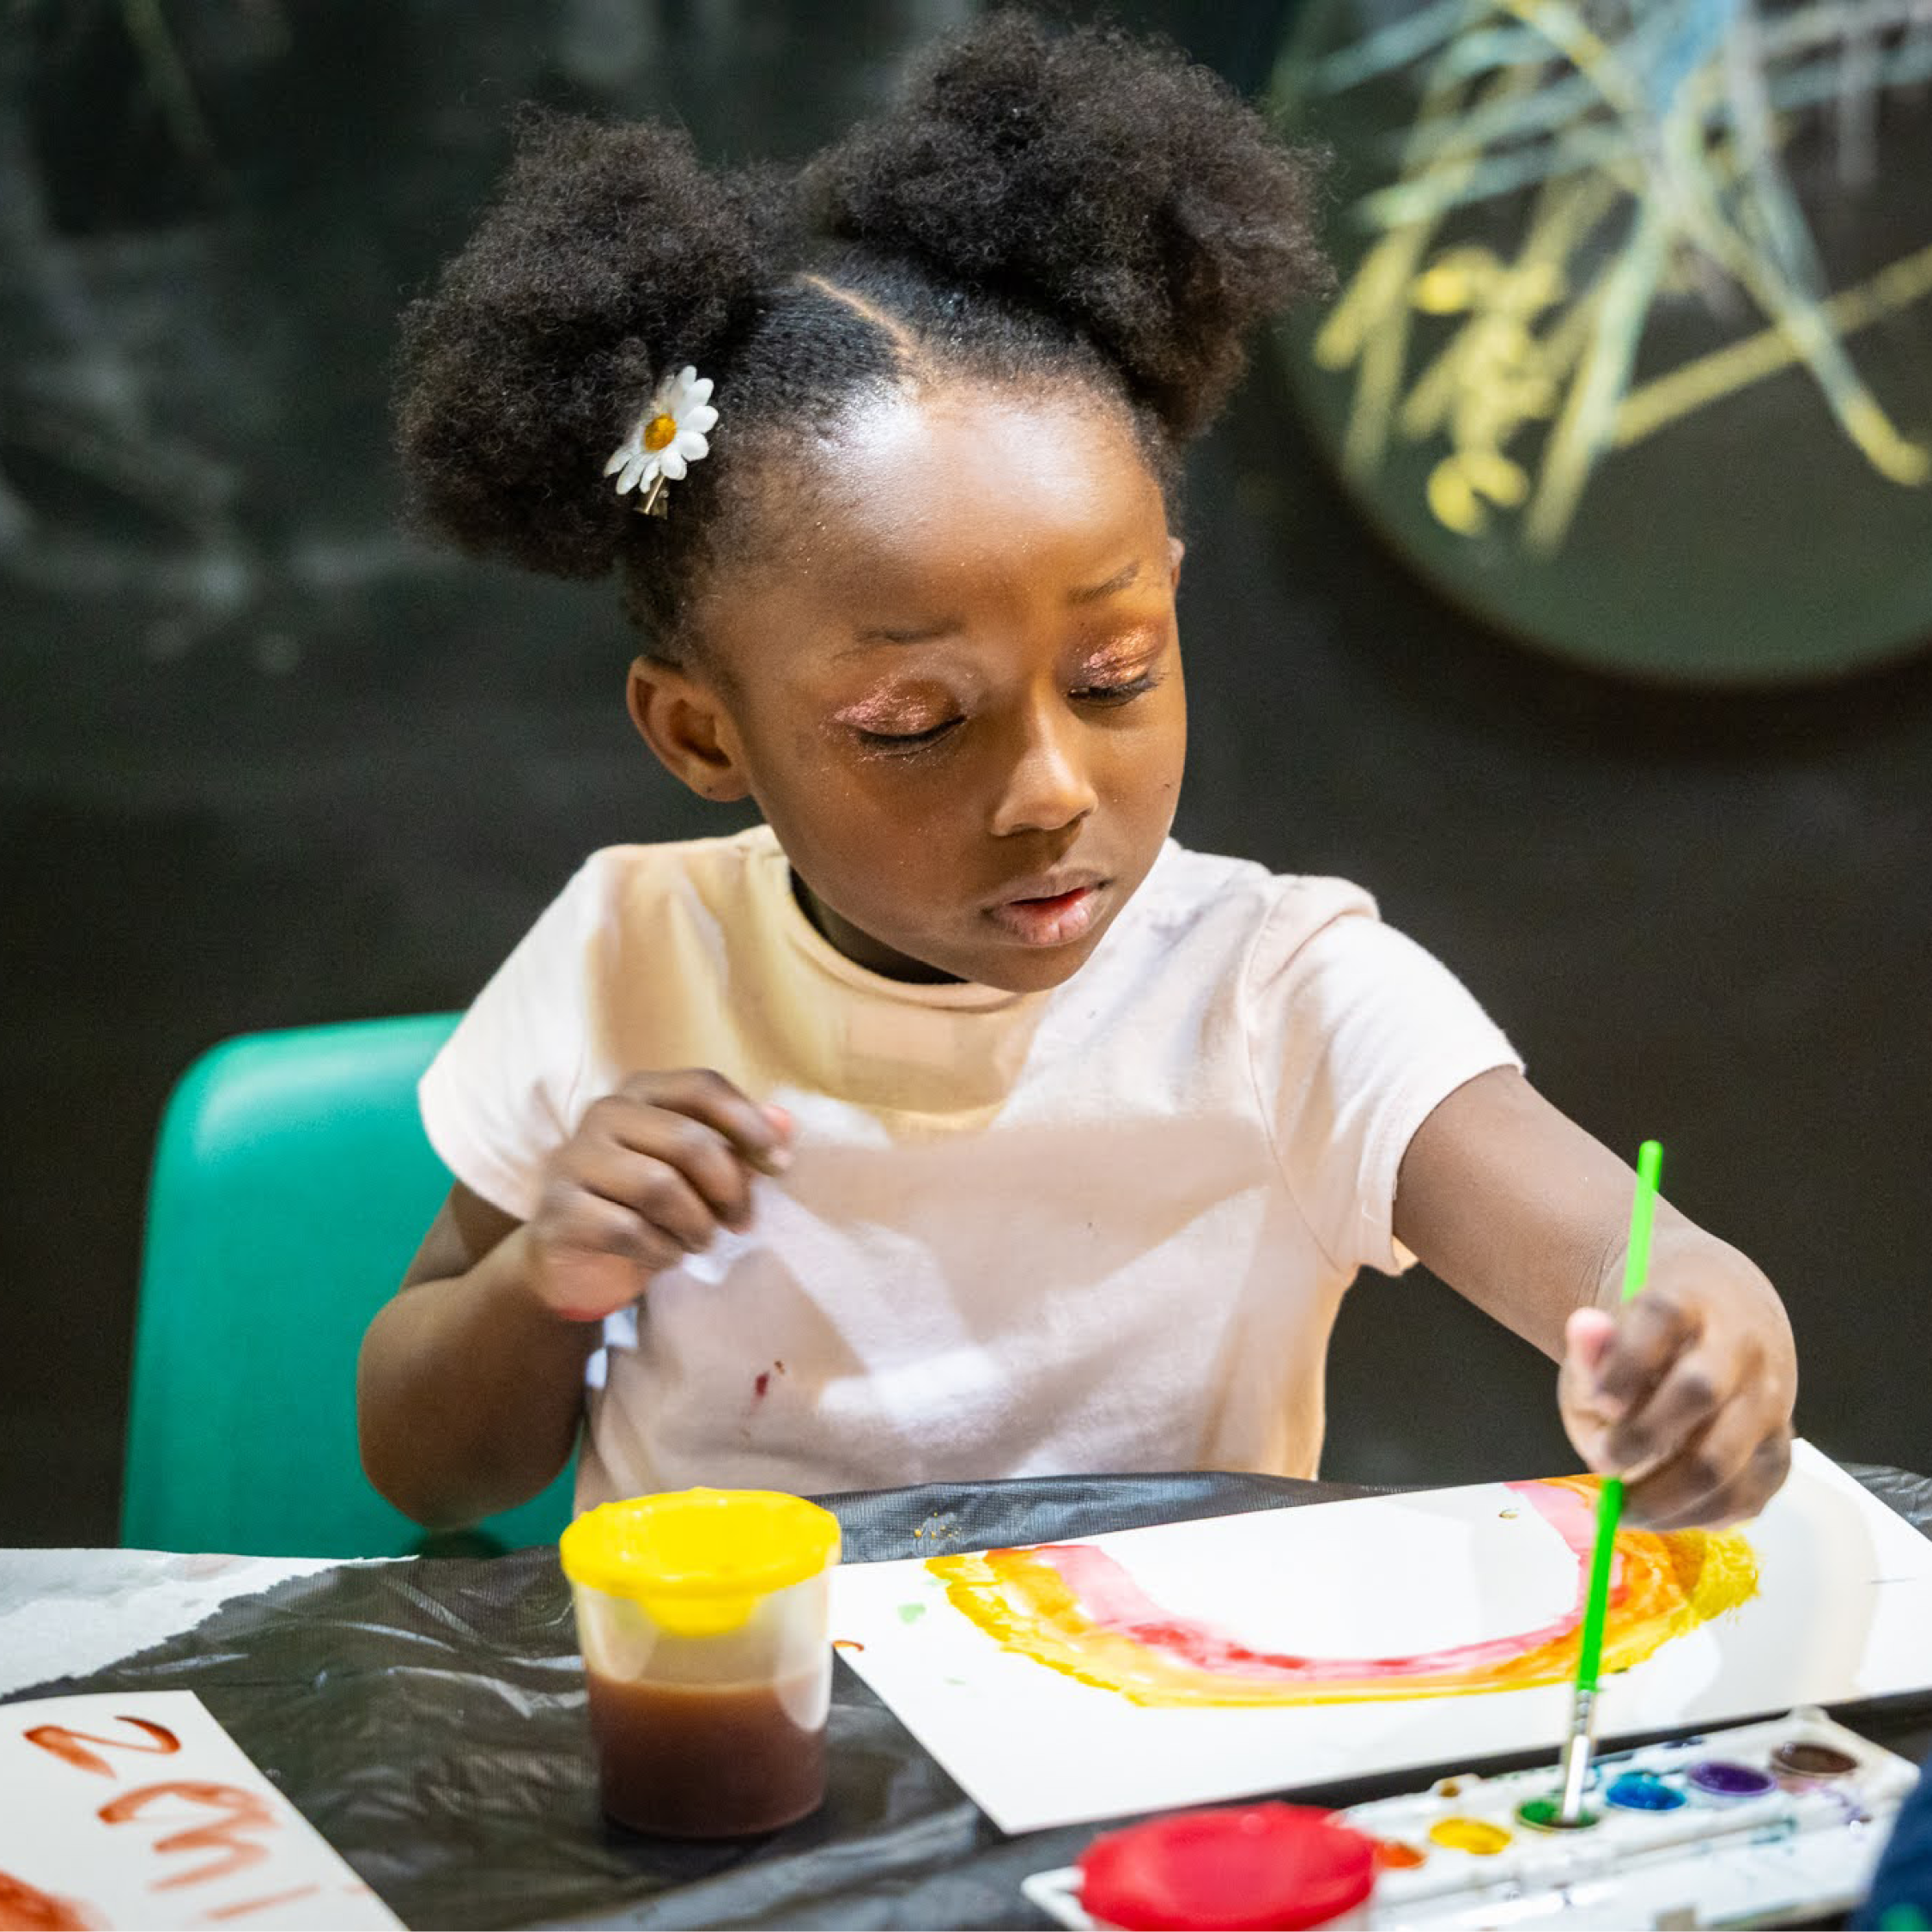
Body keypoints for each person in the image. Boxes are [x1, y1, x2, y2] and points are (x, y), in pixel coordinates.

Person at [356, 14, 1796, 1534]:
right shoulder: (629, 956)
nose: (1049, 787)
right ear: (704, 735)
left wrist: (1695, 1349)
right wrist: (546, 1281)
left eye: (1114, 676)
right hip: (744, 1746)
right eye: (912, 723)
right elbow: (429, 1465)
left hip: (1165, 1743)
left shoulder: (1279, 993)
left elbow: (1644, 1265)